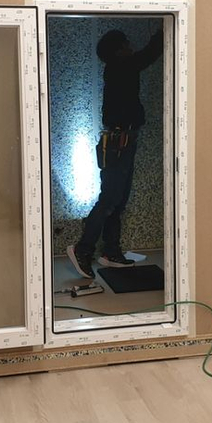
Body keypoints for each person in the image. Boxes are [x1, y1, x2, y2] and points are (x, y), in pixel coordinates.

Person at [67, 28, 163, 278]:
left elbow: (143, 57)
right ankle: (82, 249)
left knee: (118, 200)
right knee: (110, 199)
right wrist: (164, 31)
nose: (130, 47)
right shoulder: (121, 66)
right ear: (118, 50)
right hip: (120, 142)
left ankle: (111, 252)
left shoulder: (118, 68)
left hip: (123, 140)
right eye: (126, 44)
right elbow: (148, 55)